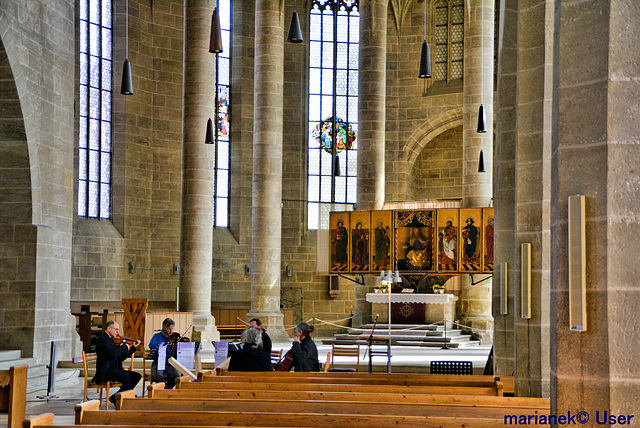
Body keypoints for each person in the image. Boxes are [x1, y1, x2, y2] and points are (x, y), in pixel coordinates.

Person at [93, 321, 141, 405]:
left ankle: (115, 397)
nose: (118, 332)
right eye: (116, 329)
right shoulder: (102, 340)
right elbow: (113, 353)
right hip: (105, 371)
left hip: (113, 369)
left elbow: (120, 357)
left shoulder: (112, 340)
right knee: (125, 376)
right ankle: (129, 396)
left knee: (136, 376)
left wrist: (133, 348)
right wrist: (124, 347)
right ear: (109, 329)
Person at [148, 317, 180, 389]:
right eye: (169, 329)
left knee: (176, 376)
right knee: (158, 375)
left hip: (169, 363)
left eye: (172, 329)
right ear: (163, 328)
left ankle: (166, 390)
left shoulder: (173, 338)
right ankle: (162, 392)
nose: (171, 332)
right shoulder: (157, 336)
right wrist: (164, 343)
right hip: (157, 363)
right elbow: (151, 345)